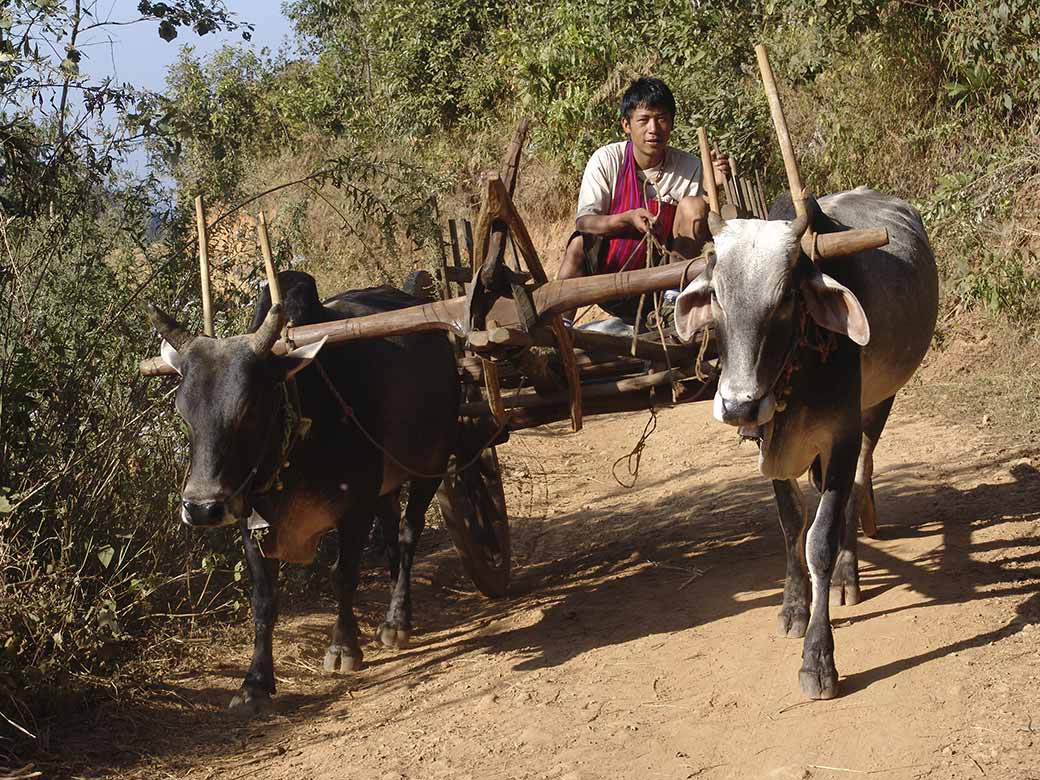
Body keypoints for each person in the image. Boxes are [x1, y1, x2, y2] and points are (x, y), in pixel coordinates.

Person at [558, 77, 730, 322]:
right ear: (626, 124)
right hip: (608, 271)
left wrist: (711, 186)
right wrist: (627, 219)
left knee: (694, 204)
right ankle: (560, 324)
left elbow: (698, 225)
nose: (654, 129)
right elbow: (584, 222)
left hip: (662, 280)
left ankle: (673, 302)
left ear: (671, 123)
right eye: (644, 119)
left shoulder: (691, 166)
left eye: (661, 119)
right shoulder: (607, 159)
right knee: (578, 244)